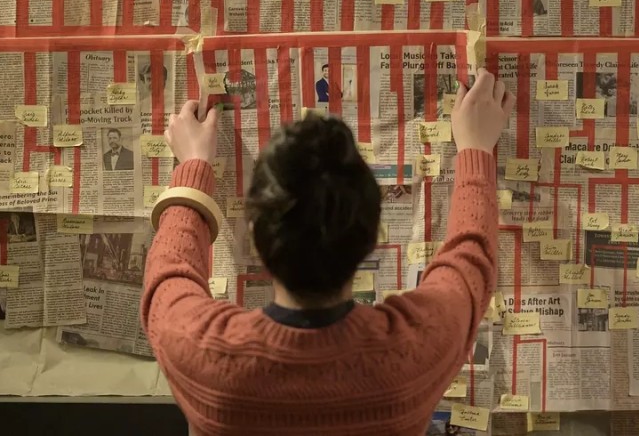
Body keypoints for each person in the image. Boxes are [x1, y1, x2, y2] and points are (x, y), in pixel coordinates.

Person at [141, 68, 512, 433]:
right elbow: (470, 260)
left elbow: (168, 271)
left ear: (254, 236)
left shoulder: (203, 356)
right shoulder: (414, 352)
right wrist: (476, 149)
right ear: (372, 238)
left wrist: (194, 165)